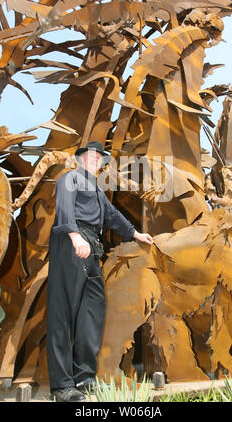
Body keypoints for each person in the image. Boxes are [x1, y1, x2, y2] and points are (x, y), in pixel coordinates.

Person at [47, 141, 154, 402]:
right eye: (93, 156)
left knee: (91, 313)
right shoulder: (69, 178)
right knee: (63, 313)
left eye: (100, 157)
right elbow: (63, 208)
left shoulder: (96, 189)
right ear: (81, 158)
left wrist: (136, 233)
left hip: (93, 249)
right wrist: (74, 236)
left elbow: (113, 216)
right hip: (73, 244)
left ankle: (83, 378)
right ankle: (62, 386)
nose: (97, 160)